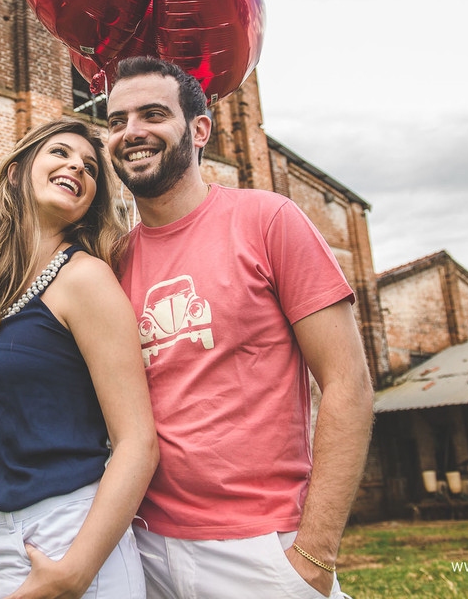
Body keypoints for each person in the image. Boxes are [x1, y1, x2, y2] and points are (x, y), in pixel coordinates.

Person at [103, 55, 375, 598]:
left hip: (259, 547)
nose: (131, 133)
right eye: (116, 120)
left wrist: (314, 554)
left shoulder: (268, 220)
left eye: (153, 114)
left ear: (199, 129)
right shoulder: (112, 262)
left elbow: (349, 384)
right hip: (139, 547)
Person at [0, 118, 158, 599]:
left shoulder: (85, 279)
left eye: (90, 167)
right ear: (15, 174)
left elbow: (138, 443)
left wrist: (75, 573)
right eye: (60, 153)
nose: (77, 166)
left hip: (64, 538)